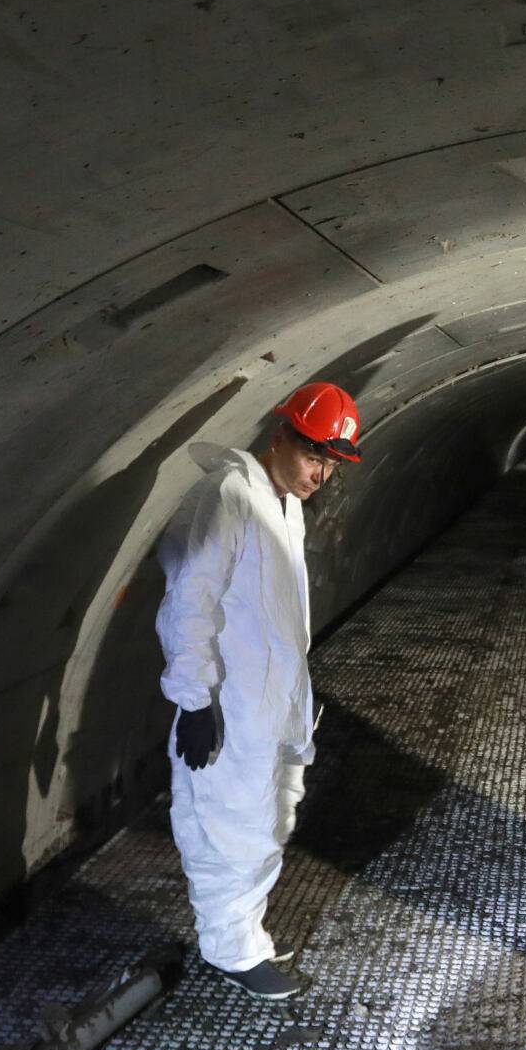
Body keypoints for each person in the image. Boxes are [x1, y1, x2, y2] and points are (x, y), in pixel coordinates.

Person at [153, 382, 362, 1000]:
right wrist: (194, 701)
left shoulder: (284, 506)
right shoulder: (229, 497)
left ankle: (246, 933)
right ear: (280, 436)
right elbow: (190, 601)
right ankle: (229, 949)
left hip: (274, 706)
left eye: (331, 463)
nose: (320, 473)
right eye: (312, 454)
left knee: (269, 820)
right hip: (230, 708)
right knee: (228, 828)